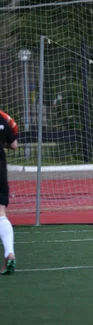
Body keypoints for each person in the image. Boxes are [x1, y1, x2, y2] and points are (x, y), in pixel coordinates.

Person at [0, 110, 18, 275]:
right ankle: (9, 253)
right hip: (0, 170)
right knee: (1, 213)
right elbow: (14, 145)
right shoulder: (3, 120)